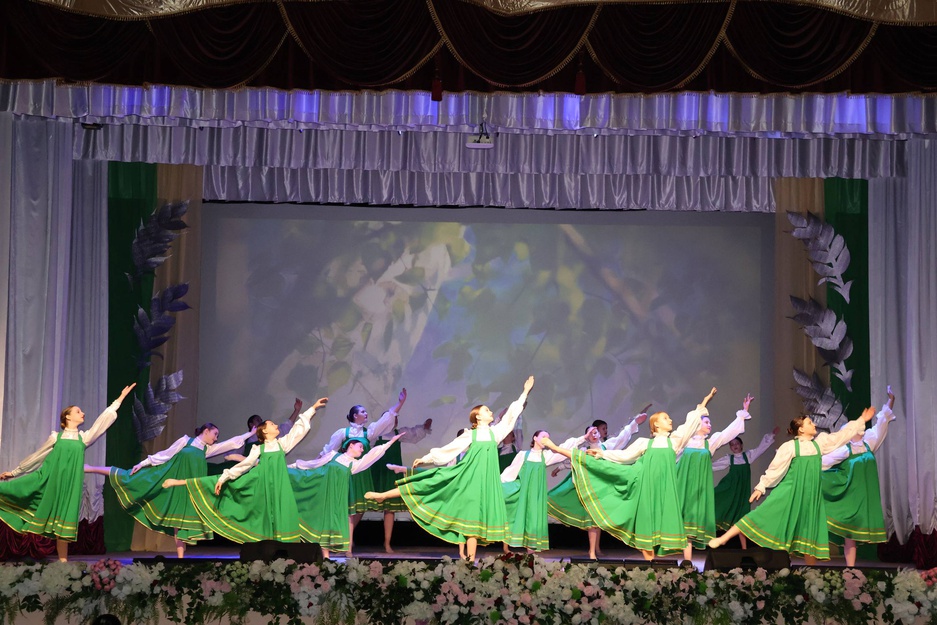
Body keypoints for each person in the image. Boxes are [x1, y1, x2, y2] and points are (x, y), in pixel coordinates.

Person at [366, 376, 535, 561]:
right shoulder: (470, 435)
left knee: (473, 525)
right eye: (487, 410)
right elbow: (449, 449)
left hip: (484, 484)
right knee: (429, 482)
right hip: (467, 476)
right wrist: (426, 458)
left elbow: (511, 415)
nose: (491, 411)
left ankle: (470, 561)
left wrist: (525, 392)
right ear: (478, 416)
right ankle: (383, 495)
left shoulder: (496, 433)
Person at [552, 389, 713, 561]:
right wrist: (602, 453)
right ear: (656, 424)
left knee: (667, 525)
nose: (671, 420)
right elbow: (624, 456)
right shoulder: (645, 443)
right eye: (666, 418)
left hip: (666, 492)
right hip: (646, 489)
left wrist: (704, 403)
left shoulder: (674, 441)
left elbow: (689, 424)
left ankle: (669, 562)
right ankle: (650, 563)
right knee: (646, 528)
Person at [708, 406, 876, 563]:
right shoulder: (790, 446)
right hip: (790, 490)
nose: (814, 424)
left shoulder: (820, 443)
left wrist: (861, 420)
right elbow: (776, 468)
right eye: (810, 422)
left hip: (811, 495)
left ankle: (810, 574)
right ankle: (723, 538)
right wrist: (761, 486)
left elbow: (841, 436)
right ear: (801, 429)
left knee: (810, 534)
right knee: (760, 514)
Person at [162, 397, 328, 543]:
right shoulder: (257, 449)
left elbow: (298, 430)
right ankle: (180, 482)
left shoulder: (282, 444)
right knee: (219, 484)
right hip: (262, 488)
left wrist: (312, 409)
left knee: (283, 516)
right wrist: (224, 478)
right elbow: (243, 466)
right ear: (264, 430)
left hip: (280, 489)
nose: (276, 425)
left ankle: (284, 554)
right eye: (272, 424)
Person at [0, 384, 136, 561]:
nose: (83, 413)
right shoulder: (55, 437)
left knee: (64, 523)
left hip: (71, 486)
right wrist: (15, 472)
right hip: (50, 482)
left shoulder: (84, 438)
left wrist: (119, 399)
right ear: (68, 416)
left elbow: (102, 422)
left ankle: (63, 562)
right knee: (17, 490)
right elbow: (37, 457)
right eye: (78, 411)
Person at [84, 421, 256, 557]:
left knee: (179, 523)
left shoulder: (207, 450)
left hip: (187, 488)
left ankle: (180, 559)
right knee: (129, 476)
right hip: (168, 478)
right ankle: (91, 468)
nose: (216, 438)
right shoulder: (186, 441)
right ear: (206, 431)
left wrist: (250, 433)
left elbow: (230, 443)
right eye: (215, 434)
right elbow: (166, 454)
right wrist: (143, 463)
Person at [289, 433, 403, 558]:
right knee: (318, 514)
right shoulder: (333, 455)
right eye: (360, 447)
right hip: (321, 488)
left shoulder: (354, 465)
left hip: (337, 496)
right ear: (351, 445)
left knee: (331, 521)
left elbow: (371, 456)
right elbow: (314, 464)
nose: (362, 450)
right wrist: (295, 466)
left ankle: (326, 556)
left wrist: (390, 442)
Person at [322, 389, 408, 550]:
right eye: (363, 411)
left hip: (362, 474)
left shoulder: (369, 432)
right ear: (355, 415)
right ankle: (341, 539)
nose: (366, 413)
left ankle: (347, 538)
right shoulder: (343, 433)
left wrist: (400, 403)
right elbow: (329, 451)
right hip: (346, 474)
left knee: (360, 507)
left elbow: (385, 420)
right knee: (347, 508)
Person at [821, 386, 896, 566]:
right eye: (855, 428)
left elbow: (881, 423)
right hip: (849, 495)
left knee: (853, 534)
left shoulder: (869, 441)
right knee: (849, 533)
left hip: (864, 496)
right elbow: (821, 462)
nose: (860, 429)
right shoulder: (844, 450)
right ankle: (849, 568)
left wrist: (891, 400)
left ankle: (851, 569)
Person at [675, 392, 752, 562]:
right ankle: (686, 560)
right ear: (697, 424)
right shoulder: (685, 441)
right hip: (684, 487)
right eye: (706, 422)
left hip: (700, 489)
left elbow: (728, 432)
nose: (710, 424)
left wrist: (742, 413)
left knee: (691, 524)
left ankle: (688, 560)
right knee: (683, 519)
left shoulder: (710, 443)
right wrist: (704, 402)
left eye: (710, 422)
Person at [500, 429, 575, 552]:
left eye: (548, 438)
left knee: (533, 517)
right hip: (523, 493)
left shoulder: (545, 456)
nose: (546, 439)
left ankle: (531, 551)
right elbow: (510, 472)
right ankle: (508, 546)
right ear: (535, 438)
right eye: (543, 436)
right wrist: (499, 484)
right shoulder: (523, 455)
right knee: (514, 515)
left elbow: (563, 448)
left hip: (536, 495)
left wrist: (583, 438)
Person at [368, 414, 433, 553]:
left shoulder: (398, 433)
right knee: (362, 505)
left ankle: (387, 543)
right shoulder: (375, 435)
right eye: (392, 419)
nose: (395, 421)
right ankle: (349, 540)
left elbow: (413, 434)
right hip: (377, 473)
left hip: (392, 472)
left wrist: (424, 427)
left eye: (396, 419)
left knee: (390, 509)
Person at [711, 428, 778, 549]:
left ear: (741, 445)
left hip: (742, 492)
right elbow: (713, 466)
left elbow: (760, 448)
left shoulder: (748, 456)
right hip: (730, 490)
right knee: (718, 503)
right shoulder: (729, 458)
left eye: (736, 443)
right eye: (732, 444)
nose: (734, 446)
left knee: (742, 516)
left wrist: (770, 435)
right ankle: (715, 537)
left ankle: (744, 548)